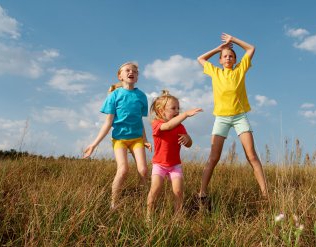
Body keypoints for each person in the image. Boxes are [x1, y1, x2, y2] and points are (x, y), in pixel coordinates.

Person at [197, 33, 268, 201]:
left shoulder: (240, 70)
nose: (228, 58)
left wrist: (233, 40)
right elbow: (200, 58)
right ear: (220, 60)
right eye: (225, 56)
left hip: (239, 117)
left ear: (235, 60)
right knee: (214, 158)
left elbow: (251, 49)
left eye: (231, 56)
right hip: (221, 118)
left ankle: (266, 195)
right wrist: (219, 49)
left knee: (251, 156)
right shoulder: (215, 72)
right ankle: (201, 193)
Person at [83, 62, 151, 209]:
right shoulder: (114, 95)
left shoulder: (141, 96)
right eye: (127, 70)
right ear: (120, 76)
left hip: (137, 139)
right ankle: (114, 202)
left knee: (143, 170)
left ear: (137, 77)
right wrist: (94, 144)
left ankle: (145, 202)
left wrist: (145, 139)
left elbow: (140, 120)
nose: (131, 72)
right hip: (120, 139)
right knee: (123, 169)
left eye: (135, 71)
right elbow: (108, 123)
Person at [147, 90, 202, 220]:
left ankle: (178, 217)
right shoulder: (157, 124)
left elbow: (189, 144)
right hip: (159, 165)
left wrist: (188, 139)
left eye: (178, 108)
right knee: (155, 189)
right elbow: (167, 126)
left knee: (178, 192)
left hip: (175, 165)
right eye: (173, 108)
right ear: (161, 111)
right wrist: (185, 114)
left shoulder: (180, 127)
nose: (177, 111)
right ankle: (149, 216)